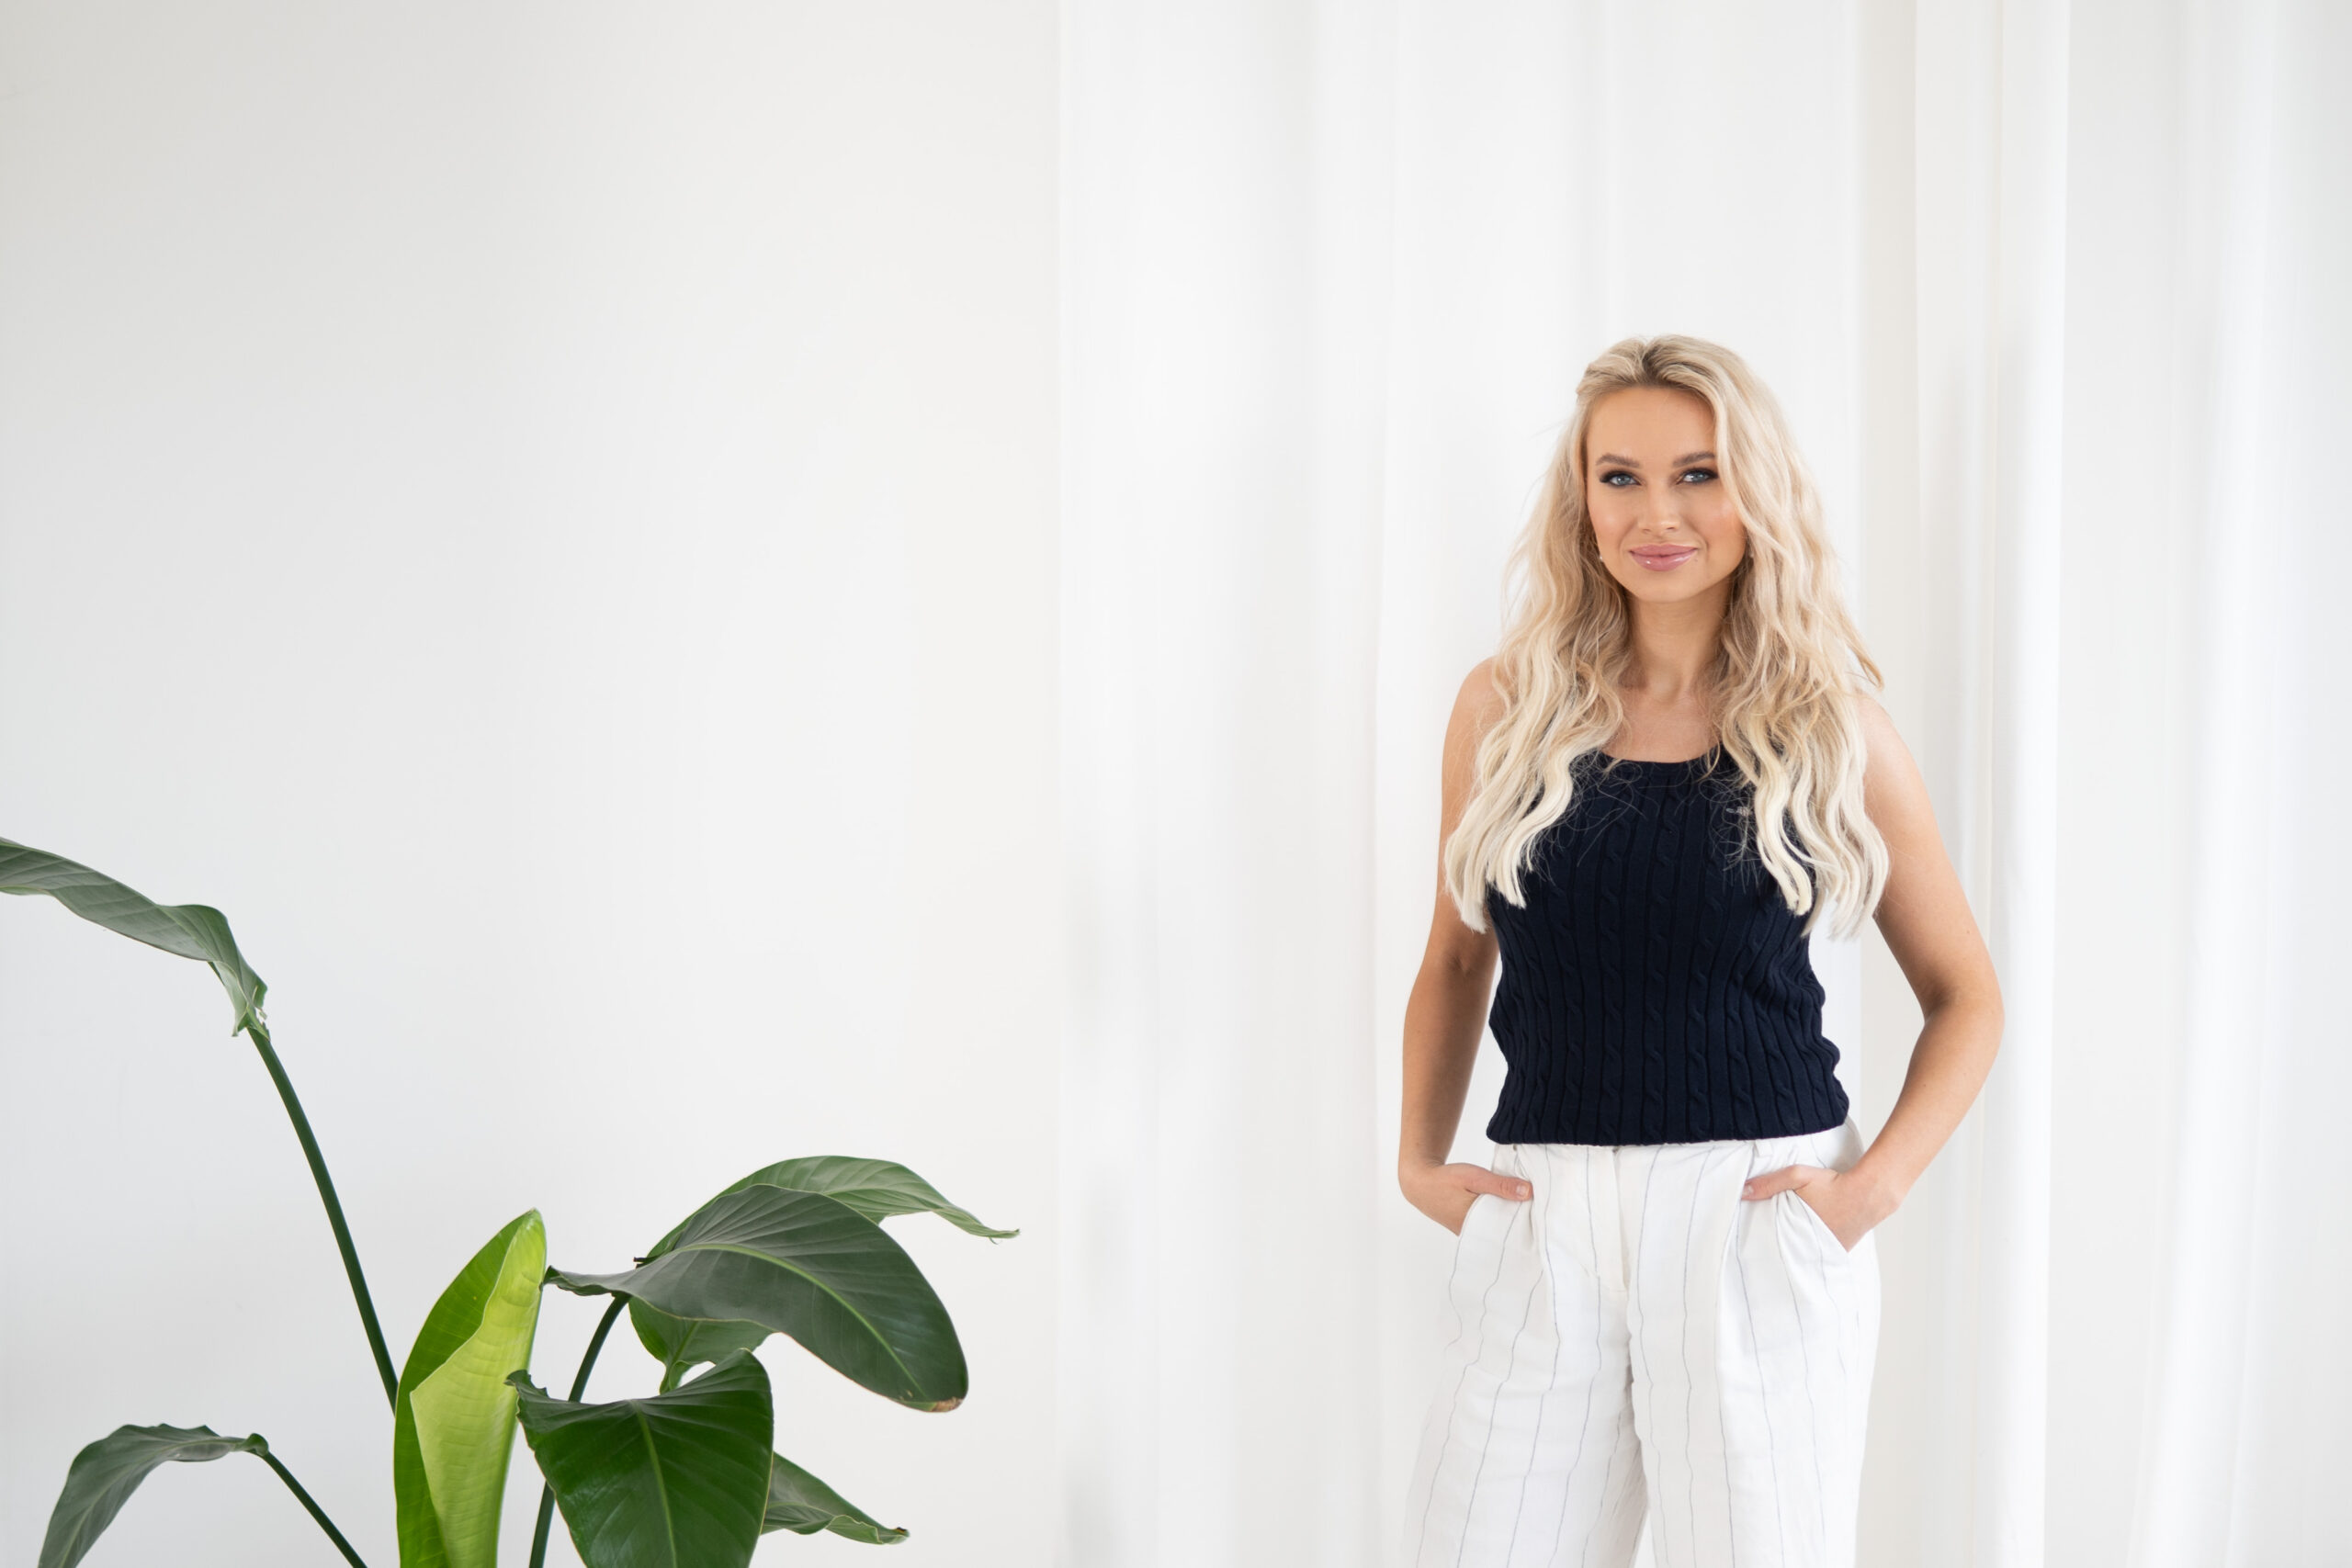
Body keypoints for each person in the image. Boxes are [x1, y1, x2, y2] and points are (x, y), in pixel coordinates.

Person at [1397, 334, 2002, 1568]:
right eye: (1619, 477)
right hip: (1543, 1212)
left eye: (1698, 474)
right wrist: (1416, 1160)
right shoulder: (1504, 709)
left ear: (1754, 491)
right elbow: (1456, 961)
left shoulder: (1833, 730)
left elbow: (1966, 997)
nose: (1656, 514)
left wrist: (1864, 1198)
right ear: (1581, 500)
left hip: (1757, 1216)